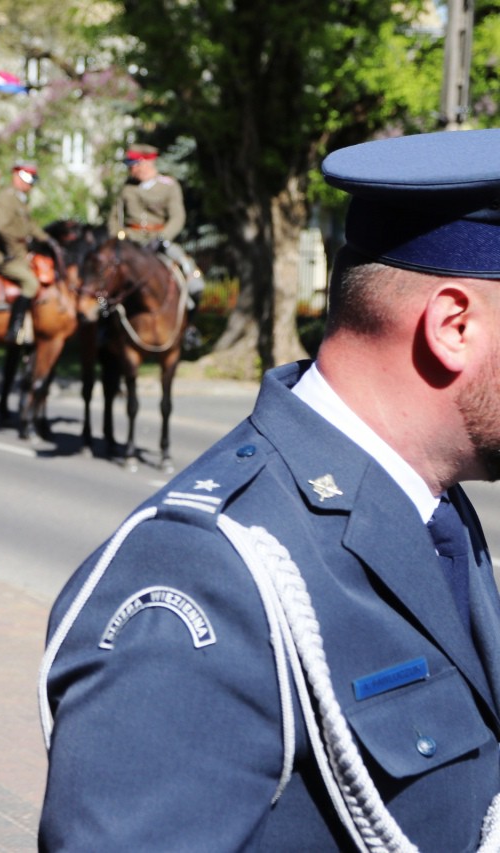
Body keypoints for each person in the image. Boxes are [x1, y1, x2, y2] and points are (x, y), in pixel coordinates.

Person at [39, 128, 500, 850]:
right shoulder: (208, 571)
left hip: (165, 241)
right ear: (453, 326)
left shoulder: (437, 512)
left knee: (178, 275)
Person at [111, 143, 203, 318]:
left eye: (134, 165)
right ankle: (104, 325)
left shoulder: (168, 186)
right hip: (130, 241)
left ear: (145, 163)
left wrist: (162, 237)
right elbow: (114, 219)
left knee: (193, 279)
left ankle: (188, 323)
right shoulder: (127, 188)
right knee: (105, 280)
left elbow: (177, 217)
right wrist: (118, 238)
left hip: (159, 240)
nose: (131, 170)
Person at [0, 162, 51, 344]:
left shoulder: (20, 199)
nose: (30, 185)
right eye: (28, 180)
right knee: (31, 283)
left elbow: (30, 226)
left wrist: (48, 239)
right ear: (17, 177)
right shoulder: (6, 197)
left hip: (19, 253)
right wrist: (21, 246)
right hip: (5, 255)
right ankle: (14, 328)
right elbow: (2, 227)